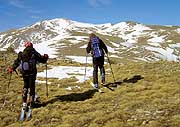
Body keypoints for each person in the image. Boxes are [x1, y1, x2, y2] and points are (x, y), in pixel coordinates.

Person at [7, 42, 48, 120]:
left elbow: (16, 62)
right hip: (32, 73)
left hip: (24, 73)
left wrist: (12, 68)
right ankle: (31, 102)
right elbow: (42, 60)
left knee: (25, 86)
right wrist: (45, 57)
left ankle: (24, 102)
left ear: (25, 47)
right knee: (32, 87)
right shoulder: (34, 53)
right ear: (31, 46)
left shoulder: (21, 54)